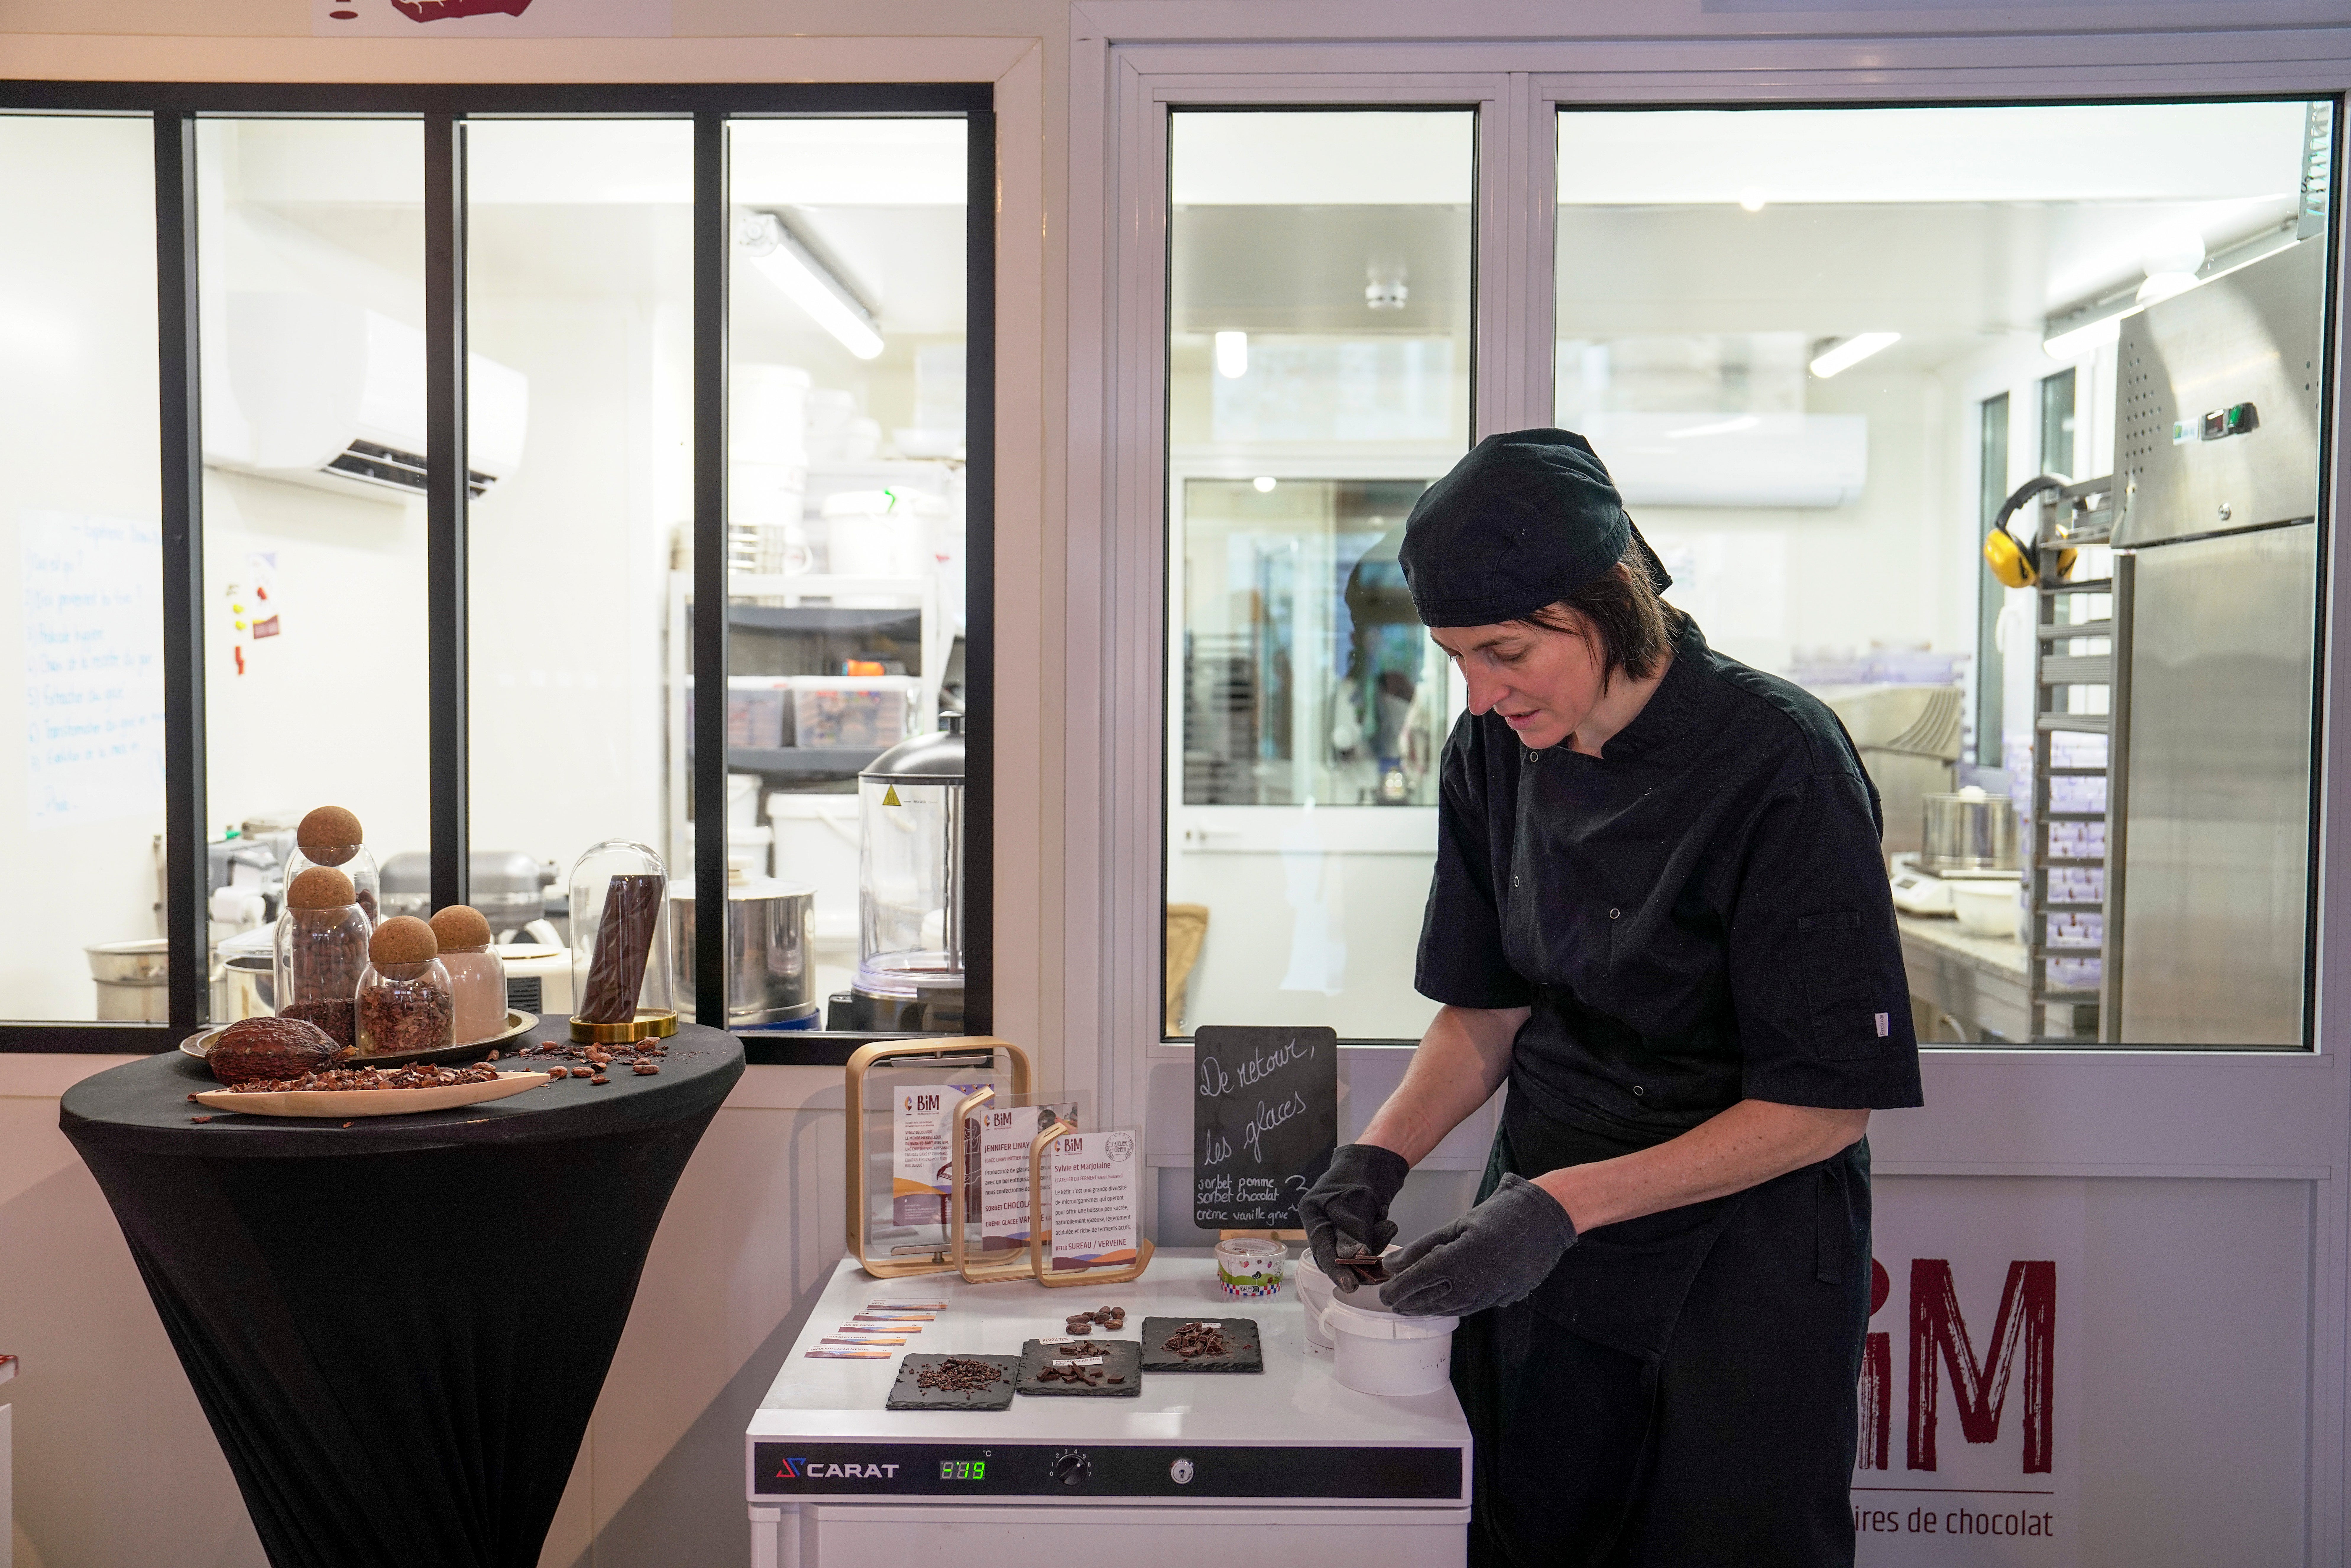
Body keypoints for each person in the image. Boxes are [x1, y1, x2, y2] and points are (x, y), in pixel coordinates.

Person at [1299, 429, 1924, 1567]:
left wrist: (1558, 1207)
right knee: (1534, 1533)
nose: (1482, 695)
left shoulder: (1780, 760)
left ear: (1612, 601)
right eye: (1457, 659)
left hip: (1741, 1252)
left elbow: (1826, 1105)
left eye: (1506, 652)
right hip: (1546, 1233)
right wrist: (1380, 1152)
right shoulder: (1492, 754)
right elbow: (1486, 1010)